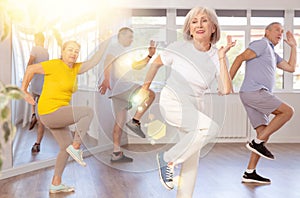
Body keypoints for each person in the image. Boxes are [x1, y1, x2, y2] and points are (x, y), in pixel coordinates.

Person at [138, 7, 235, 197]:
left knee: (192, 158)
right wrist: (144, 87)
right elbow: (157, 62)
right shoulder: (178, 47)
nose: (199, 24)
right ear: (189, 29)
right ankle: (167, 158)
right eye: (194, 21)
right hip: (173, 100)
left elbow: (225, 90)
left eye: (204, 20)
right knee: (209, 129)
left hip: (196, 104)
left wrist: (222, 58)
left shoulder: (218, 55)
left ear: (213, 28)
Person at [21, 40, 108, 193]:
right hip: (49, 110)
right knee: (87, 112)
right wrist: (24, 91)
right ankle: (76, 147)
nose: (73, 53)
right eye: (70, 50)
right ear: (62, 52)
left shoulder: (75, 68)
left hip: (60, 111)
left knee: (64, 147)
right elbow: (31, 69)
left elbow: (94, 60)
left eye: (76, 51)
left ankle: (56, 183)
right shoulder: (54, 64)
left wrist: (105, 42)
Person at [230, 22, 296, 184]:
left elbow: (291, 68)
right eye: (276, 30)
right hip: (255, 92)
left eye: (281, 31)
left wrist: (294, 47)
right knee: (288, 112)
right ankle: (256, 143)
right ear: (266, 32)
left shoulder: (272, 52)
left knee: (263, 132)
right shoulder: (261, 44)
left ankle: (250, 172)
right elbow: (240, 57)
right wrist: (228, 82)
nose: (280, 34)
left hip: (252, 94)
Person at [98, 27, 156, 163]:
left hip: (117, 91)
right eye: (129, 37)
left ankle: (116, 153)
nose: (131, 39)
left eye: (132, 37)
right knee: (151, 94)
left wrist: (149, 56)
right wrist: (106, 79)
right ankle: (135, 121)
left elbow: (137, 66)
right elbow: (107, 63)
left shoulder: (124, 52)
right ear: (121, 36)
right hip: (124, 86)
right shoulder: (115, 48)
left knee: (119, 122)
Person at [26, 32, 49, 153]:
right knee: (42, 117)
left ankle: (33, 114)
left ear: (37, 39)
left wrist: (27, 72)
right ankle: (37, 144)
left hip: (35, 81)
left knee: (30, 97)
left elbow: (31, 61)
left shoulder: (35, 48)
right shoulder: (46, 52)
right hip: (44, 82)